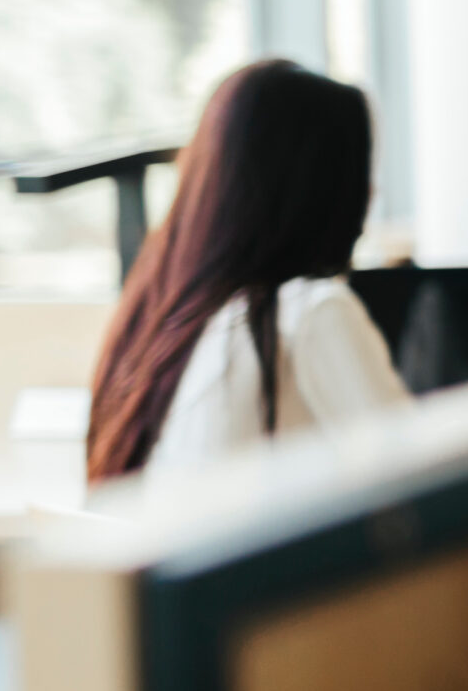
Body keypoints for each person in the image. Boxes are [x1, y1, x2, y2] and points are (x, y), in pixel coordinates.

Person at [87, 61, 409, 483]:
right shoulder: (311, 310)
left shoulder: (167, 325)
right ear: (329, 191)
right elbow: (426, 482)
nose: (373, 194)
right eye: (361, 172)